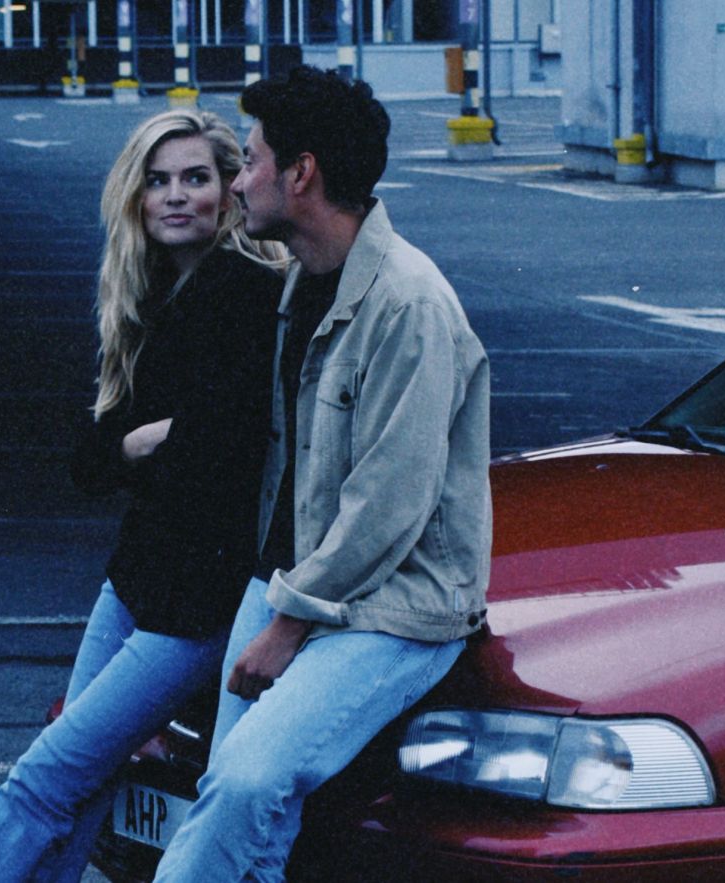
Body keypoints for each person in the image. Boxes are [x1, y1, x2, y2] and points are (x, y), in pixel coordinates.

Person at [152, 66, 493, 881]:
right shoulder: (303, 280)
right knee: (249, 821)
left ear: (301, 173)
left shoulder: (408, 305)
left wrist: (288, 623)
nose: (238, 182)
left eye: (252, 160)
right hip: (289, 584)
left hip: (391, 608)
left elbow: (389, 504)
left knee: (244, 781)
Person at [0, 109, 284, 882]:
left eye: (196, 177)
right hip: (135, 579)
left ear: (228, 189)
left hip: (196, 603)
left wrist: (146, 445)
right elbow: (89, 459)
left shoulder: (245, 293)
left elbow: (218, 460)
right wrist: (139, 443)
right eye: (158, 181)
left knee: (43, 779)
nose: (176, 195)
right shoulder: (146, 296)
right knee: (80, 779)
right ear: (136, 198)